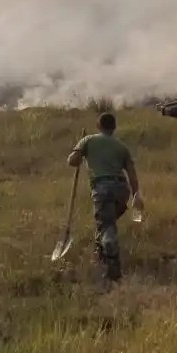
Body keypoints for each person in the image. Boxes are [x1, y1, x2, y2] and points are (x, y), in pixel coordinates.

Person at [67, 112, 142, 284]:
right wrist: (136, 193)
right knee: (106, 222)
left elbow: (72, 161)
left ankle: (113, 269)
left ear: (98, 126)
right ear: (114, 128)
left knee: (107, 225)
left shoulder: (88, 140)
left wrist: (79, 151)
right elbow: (131, 172)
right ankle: (100, 254)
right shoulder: (121, 146)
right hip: (122, 189)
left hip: (102, 188)